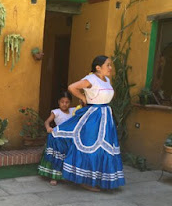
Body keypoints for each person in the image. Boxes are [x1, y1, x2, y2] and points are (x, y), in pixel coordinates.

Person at [43, 55, 125, 191]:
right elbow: (72, 87)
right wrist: (83, 97)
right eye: (108, 65)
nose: (110, 68)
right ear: (98, 67)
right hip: (93, 116)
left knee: (103, 148)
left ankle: (98, 178)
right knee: (89, 146)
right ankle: (85, 181)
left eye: (110, 65)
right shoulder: (91, 79)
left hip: (105, 116)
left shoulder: (107, 80)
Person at [38, 91, 75, 186]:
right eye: (62, 102)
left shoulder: (73, 111)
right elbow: (47, 121)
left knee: (66, 157)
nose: (64, 104)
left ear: (70, 103)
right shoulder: (56, 112)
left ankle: (65, 176)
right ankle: (54, 177)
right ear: (59, 102)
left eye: (67, 102)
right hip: (58, 138)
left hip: (69, 138)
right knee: (57, 157)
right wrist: (48, 128)